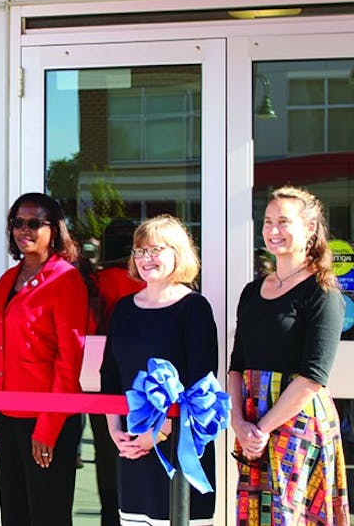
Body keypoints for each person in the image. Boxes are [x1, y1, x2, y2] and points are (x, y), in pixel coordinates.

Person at [228, 185, 350, 525]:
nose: (273, 231)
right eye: (268, 222)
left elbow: (313, 377)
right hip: (252, 422)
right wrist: (239, 423)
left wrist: (262, 428)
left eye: (283, 222)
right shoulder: (252, 291)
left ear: (309, 228)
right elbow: (236, 366)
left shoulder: (322, 292)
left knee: (292, 516)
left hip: (296, 423)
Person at [0, 192, 88, 526]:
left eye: (35, 223)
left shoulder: (65, 279)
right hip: (7, 416)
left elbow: (70, 360)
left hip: (46, 418)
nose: (25, 230)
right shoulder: (8, 279)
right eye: (18, 223)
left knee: (47, 516)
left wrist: (48, 428)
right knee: (14, 515)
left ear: (54, 229)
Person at [101, 214, 217, 525]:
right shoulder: (124, 308)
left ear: (178, 254)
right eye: (140, 251)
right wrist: (115, 431)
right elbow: (109, 374)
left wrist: (158, 433)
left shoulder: (194, 307)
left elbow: (201, 382)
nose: (146, 258)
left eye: (156, 250)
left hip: (178, 446)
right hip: (133, 445)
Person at [86, 218, 144, 526]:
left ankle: (110, 515)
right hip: (143, 382)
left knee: (107, 453)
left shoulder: (99, 281)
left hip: (100, 378)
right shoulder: (148, 280)